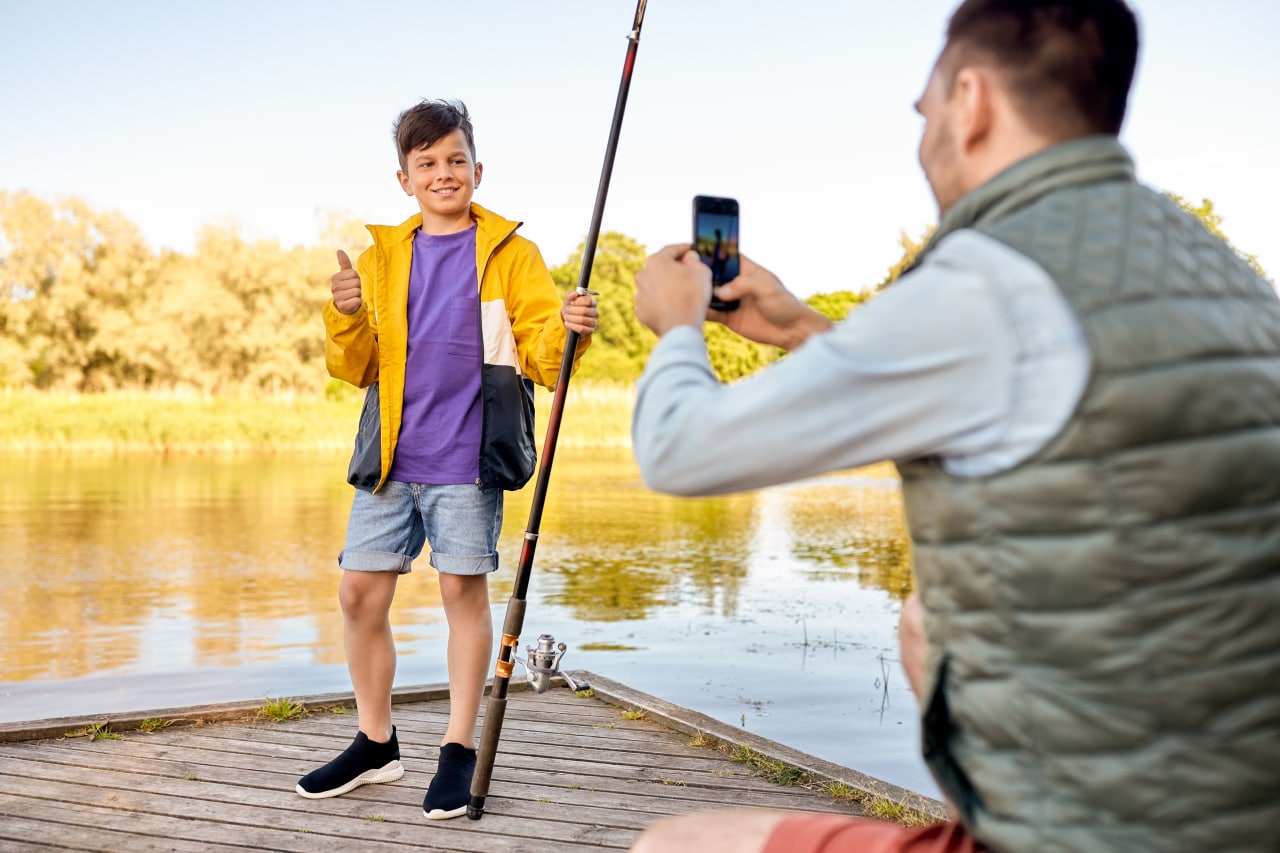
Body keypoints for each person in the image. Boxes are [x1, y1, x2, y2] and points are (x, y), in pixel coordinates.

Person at [628, 0, 1280, 851]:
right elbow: (1027, 393)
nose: (926, 130)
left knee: (676, 844)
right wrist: (797, 330)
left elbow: (680, 447)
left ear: (970, 101)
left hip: (1106, 829)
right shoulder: (1208, 263)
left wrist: (678, 325)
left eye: (925, 108)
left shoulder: (990, 277)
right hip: (1239, 801)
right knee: (923, 620)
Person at [297, 99, 597, 820]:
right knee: (358, 594)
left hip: (468, 457)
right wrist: (343, 315)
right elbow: (358, 367)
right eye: (426, 163)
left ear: (477, 169)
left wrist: (571, 331)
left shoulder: (512, 254)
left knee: (463, 595)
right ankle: (377, 742)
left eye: (455, 160)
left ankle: (457, 747)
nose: (443, 173)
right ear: (404, 178)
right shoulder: (379, 257)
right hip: (390, 459)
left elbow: (543, 357)